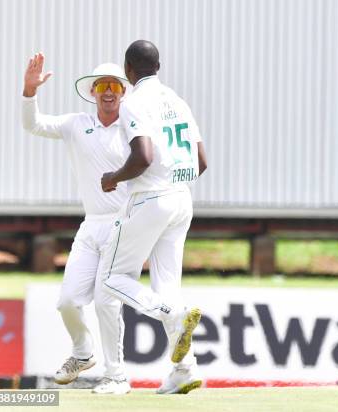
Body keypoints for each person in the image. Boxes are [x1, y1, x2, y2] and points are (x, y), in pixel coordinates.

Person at [98, 40, 207, 395]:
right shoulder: (178, 101)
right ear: (158, 66)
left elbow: (142, 156)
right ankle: (184, 370)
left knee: (112, 277)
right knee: (167, 285)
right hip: (182, 198)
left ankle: (173, 314)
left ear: (128, 70)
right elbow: (201, 161)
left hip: (152, 199)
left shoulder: (134, 103)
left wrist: (113, 177)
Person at [21, 53, 132, 394]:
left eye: (114, 86)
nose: (108, 92)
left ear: (123, 92)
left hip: (124, 227)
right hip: (91, 226)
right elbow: (33, 124)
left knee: (106, 302)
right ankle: (83, 352)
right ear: (93, 92)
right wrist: (29, 91)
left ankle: (117, 375)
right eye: (102, 86)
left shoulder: (134, 126)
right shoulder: (76, 123)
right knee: (67, 300)